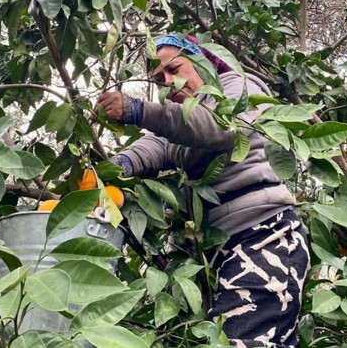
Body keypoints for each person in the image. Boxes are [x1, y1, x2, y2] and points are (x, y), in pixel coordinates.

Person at [97, 33, 310, 348]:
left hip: (265, 233)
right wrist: (107, 171)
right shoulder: (177, 124)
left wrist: (137, 111)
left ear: (202, 62)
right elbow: (153, 147)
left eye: (175, 68)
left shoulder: (236, 87)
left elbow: (218, 125)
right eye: (159, 78)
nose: (169, 81)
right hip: (215, 252)